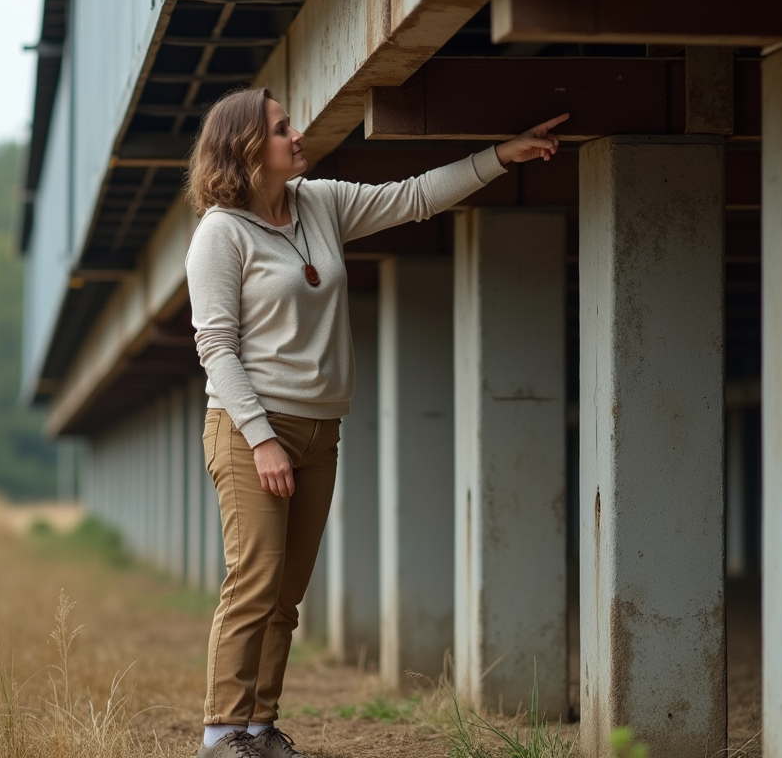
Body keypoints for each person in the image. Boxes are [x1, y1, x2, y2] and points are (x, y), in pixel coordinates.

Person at [184, 85, 568, 758]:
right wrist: (262, 438)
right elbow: (215, 346)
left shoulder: (320, 204)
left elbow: (415, 196)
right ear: (247, 149)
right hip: (252, 433)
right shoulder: (220, 232)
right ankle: (221, 734)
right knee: (253, 582)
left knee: (285, 597)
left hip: (318, 431)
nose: (297, 135)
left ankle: (259, 728)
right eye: (281, 129)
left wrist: (501, 155)